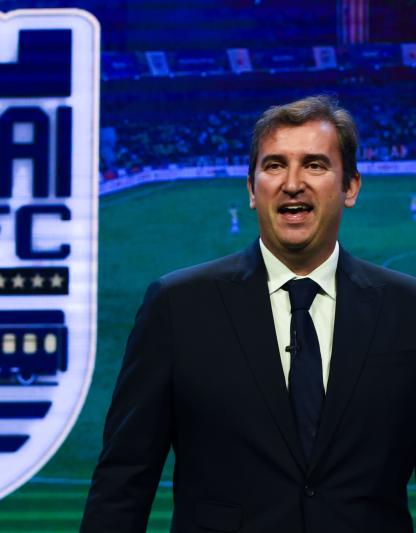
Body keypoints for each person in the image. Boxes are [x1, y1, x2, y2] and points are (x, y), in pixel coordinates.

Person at [81, 95, 416, 533]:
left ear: (350, 186)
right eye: (275, 165)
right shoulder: (178, 306)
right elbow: (123, 483)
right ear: (252, 189)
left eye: (314, 165)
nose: (292, 183)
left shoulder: (406, 309)